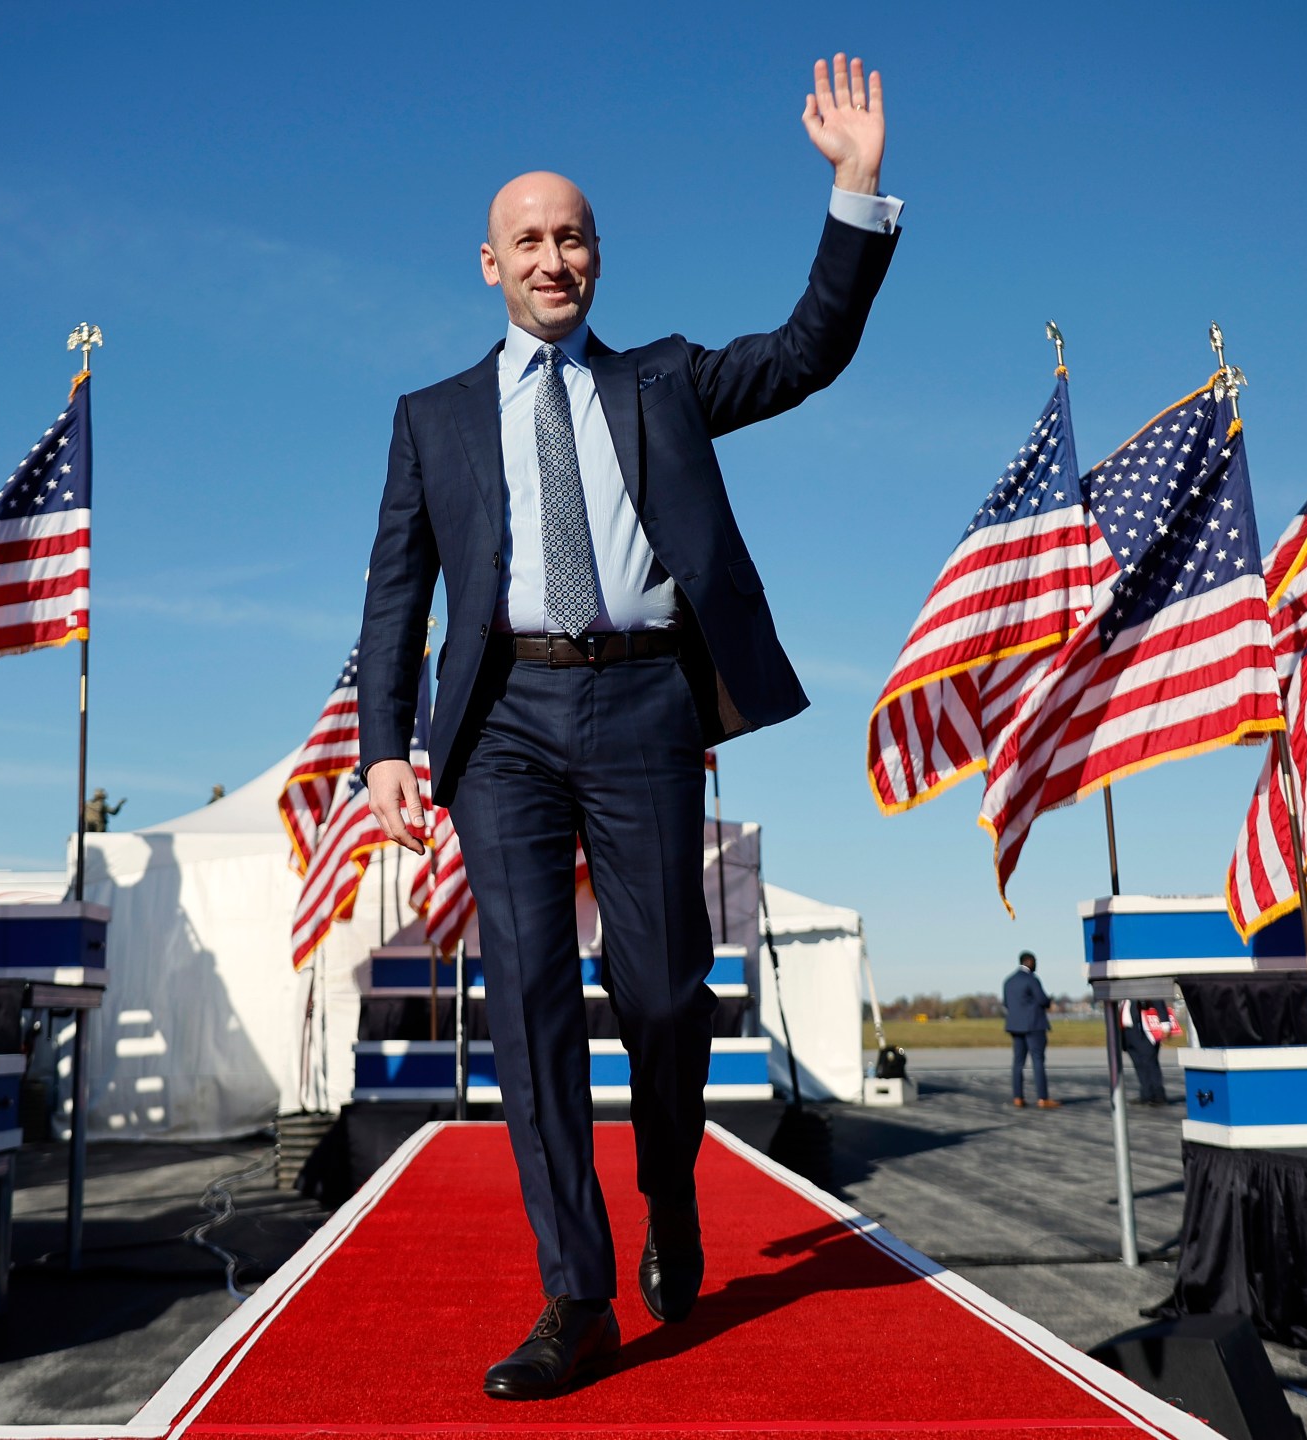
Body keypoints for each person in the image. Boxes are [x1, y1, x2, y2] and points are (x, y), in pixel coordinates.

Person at [354, 56, 898, 1400]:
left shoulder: (661, 383)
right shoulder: (431, 420)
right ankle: (574, 1296)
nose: (556, 257)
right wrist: (384, 745)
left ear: (599, 255)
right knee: (531, 998)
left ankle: (671, 1188)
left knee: (661, 991)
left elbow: (807, 350)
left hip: (644, 699)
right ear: (489, 262)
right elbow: (395, 592)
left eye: (575, 235)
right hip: (499, 726)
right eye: (530, 239)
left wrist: (853, 187)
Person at [1004, 951, 1057, 1110]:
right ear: (1029, 962)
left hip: (1015, 1025)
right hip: (1034, 1025)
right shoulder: (1031, 979)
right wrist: (1049, 1001)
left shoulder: (1009, 981)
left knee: (1018, 1062)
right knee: (1037, 1060)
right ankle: (1042, 1097)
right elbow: (1042, 999)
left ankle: (1018, 1097)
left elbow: (1006, 1003)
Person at [1119, 998, 1175, 1106]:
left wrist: (1165, 1025)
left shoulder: (1143, 987)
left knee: (1150, 1062)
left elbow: (1158, 1001)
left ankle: (1159, 1096)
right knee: (1138, 1063)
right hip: (1128, 1031)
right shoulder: (1122, 992)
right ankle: (1146, 1094)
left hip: (1144, 1030)